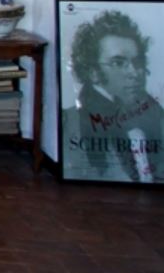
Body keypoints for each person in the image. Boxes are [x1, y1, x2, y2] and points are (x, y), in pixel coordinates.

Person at [64, 10, 163, 183]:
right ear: (93, 72)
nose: (134, 73)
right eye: (118, 63)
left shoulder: (155, 115)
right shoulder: (70, 123)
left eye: (137, 62)